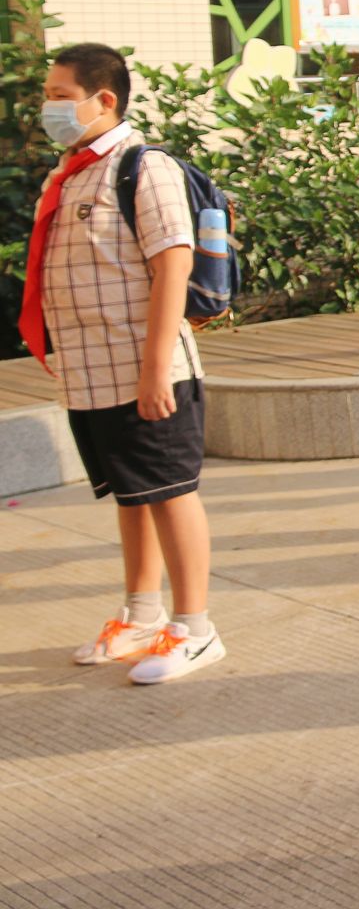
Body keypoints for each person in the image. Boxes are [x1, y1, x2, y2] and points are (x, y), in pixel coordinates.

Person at [27, 44, 222, 683]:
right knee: (133, 494)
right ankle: (142, 613)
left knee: (171, 493)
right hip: (92, 371)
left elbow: (173, 264)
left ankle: (195, 629)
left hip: (146, 368)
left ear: (103, 98)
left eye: (59, 95)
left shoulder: (144, 167)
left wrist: (153, 367)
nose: (48, 107)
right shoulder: (72, 171)